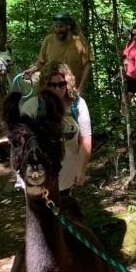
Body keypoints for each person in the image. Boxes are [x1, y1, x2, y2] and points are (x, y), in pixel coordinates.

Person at [38, 61, 92, 198]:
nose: (57, 89)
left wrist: (81, 169)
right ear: (45, 84)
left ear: (68, 83)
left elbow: (86, 139)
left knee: (65, 213)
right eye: (52, 85)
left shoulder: (78, 104)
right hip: (40, 176)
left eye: (61, 84)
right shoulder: (37, 105)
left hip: (68, 175)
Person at [24, 12, 92, 96]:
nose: (58, 30)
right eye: (56, 27)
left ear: (68, 26)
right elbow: (41, 62)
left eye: (61, 27)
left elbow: (87, 66)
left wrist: (80, 89)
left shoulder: (79, 41)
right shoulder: (48, 40)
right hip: (51, 92)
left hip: (72, 91)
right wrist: (31, 70)